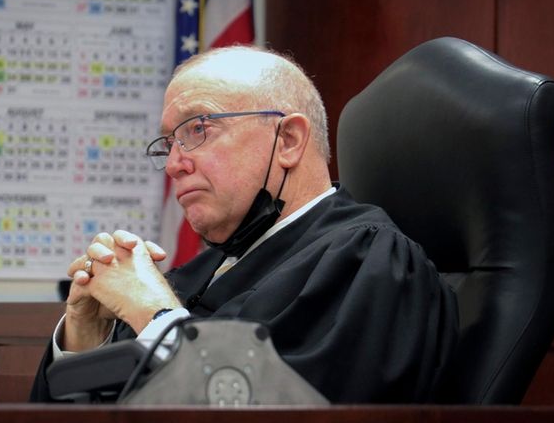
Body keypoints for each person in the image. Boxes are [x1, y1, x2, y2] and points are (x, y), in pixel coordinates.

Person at [30, 46, 458, 403]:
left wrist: (154, 312)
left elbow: (271, 407)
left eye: (198, 129)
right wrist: (84, 339)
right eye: (169, 143)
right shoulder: (198, 274)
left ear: (287, 140)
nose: (175, 164)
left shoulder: (370, 261)